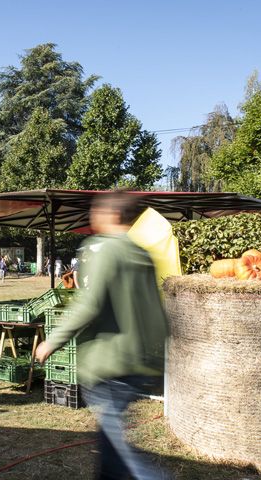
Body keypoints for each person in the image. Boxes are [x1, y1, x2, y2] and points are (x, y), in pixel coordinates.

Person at [36, 191, 171, 480]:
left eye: (96, 212)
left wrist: (52, 340)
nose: (92, 218)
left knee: (119, 453)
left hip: (112, 362)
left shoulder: (103, 248)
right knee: (111, 447)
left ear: (111, 215)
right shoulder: (141, 251)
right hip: (141, 359)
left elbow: (89, 303)